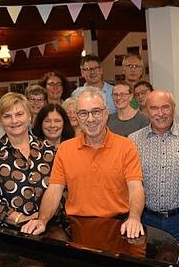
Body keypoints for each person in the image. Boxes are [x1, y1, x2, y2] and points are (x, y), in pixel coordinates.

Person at [21, 86, 145, 239]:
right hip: (77, 228)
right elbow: (54, 191)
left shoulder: (126, 146)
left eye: (96, 112)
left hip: (119, 226)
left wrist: (134, 218)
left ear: (106, 114)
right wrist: (42, 220)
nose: (90, 119)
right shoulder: (65, 149)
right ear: (77, 117)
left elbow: (135, 188)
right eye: (84, 113)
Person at [129, 90, 179, 251]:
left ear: (173, 108)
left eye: (165, 107)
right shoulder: (133, 141)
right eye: (154, 108)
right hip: (148, 220)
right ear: (146, 110)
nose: (160, 113)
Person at [0, 93, 57, 227]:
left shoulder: (49, 151)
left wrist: (42, 218)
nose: (14, 120)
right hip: (10, 233)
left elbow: (62, 190)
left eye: (19, 114)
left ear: (30, 117)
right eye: (7, 116)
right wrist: (21, 219)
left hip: (50, 227)